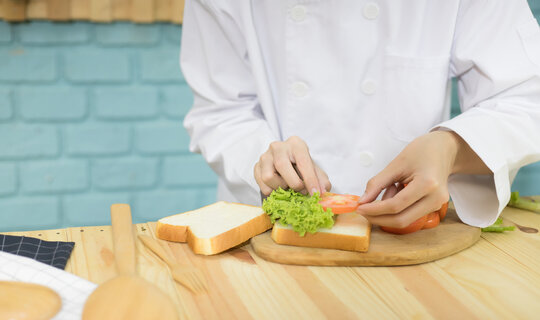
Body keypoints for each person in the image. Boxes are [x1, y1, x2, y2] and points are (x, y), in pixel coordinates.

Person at [180, 0, 540, 228]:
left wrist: (450, 149)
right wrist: (261, 158)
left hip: (412, 238)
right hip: (267, 238)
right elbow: (219, 112)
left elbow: (527, 97)